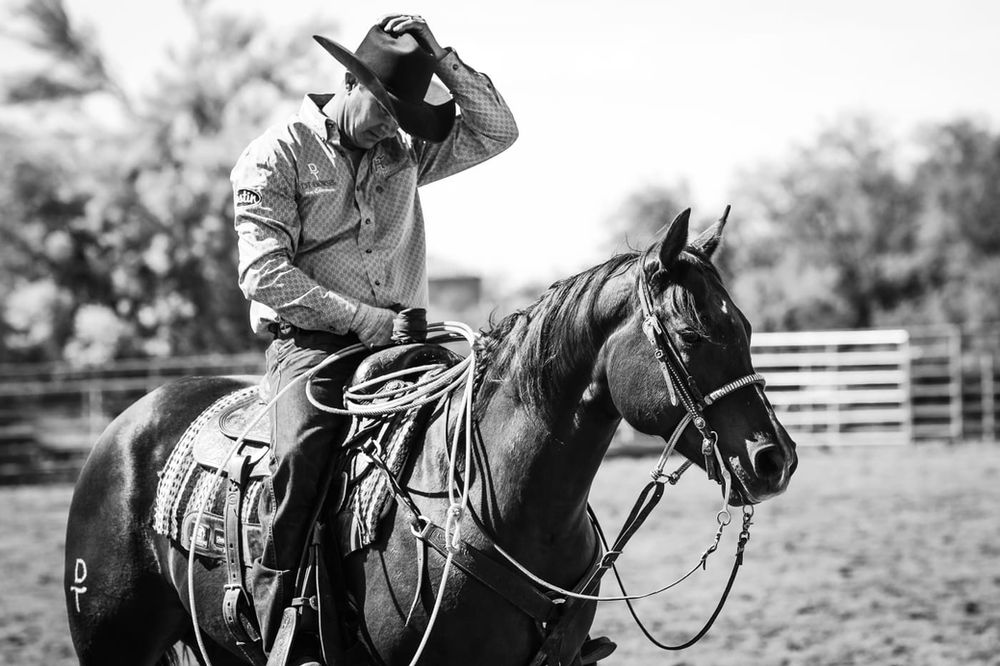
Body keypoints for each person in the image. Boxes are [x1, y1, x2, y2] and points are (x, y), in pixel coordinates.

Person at [230, 13, 518, 656]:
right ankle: (278, 621)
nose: (394, 126)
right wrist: (369, 322)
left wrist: (441, 58)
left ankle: (539, 611)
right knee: (301, 454)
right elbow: (262, 274)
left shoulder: (408, 151)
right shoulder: (277, 154)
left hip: (410, 342)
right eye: (386, 108)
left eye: (405, 115)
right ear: (348, 81)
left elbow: (500, 130)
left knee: (507, 422)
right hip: (313, 346)